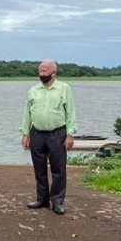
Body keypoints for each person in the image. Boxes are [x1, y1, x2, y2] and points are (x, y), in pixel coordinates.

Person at [20, 60, 77, 215]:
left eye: (45, 71)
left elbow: (70, 111)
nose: (42, 74)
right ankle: (42, 199)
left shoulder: (64, 89)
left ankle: (57, 201)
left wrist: (70, 134)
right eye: (40, 71)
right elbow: (28, 112)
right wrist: (25, 133)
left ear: (53, 73)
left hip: (57, 133)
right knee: (39, 168)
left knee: (58, 169)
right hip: (36, 133)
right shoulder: (33, 90)